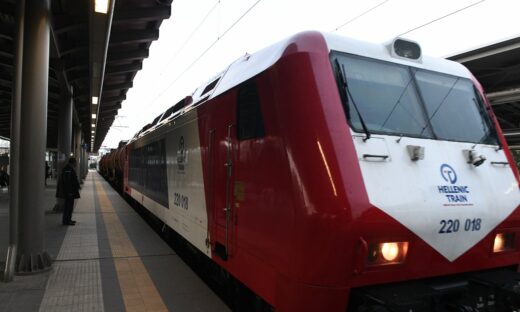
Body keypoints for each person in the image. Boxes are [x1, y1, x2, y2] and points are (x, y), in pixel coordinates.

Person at [56, 157, 80, 225]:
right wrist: (69, 192)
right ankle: (66, 220)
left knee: (69, 206)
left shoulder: (69, 168)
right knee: (68, 206)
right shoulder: (68, 169)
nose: (76, 164)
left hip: (70, 191)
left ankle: (68, 219)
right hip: (69, 192)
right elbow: (67, 182)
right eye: (76, 162)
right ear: (73, 162)